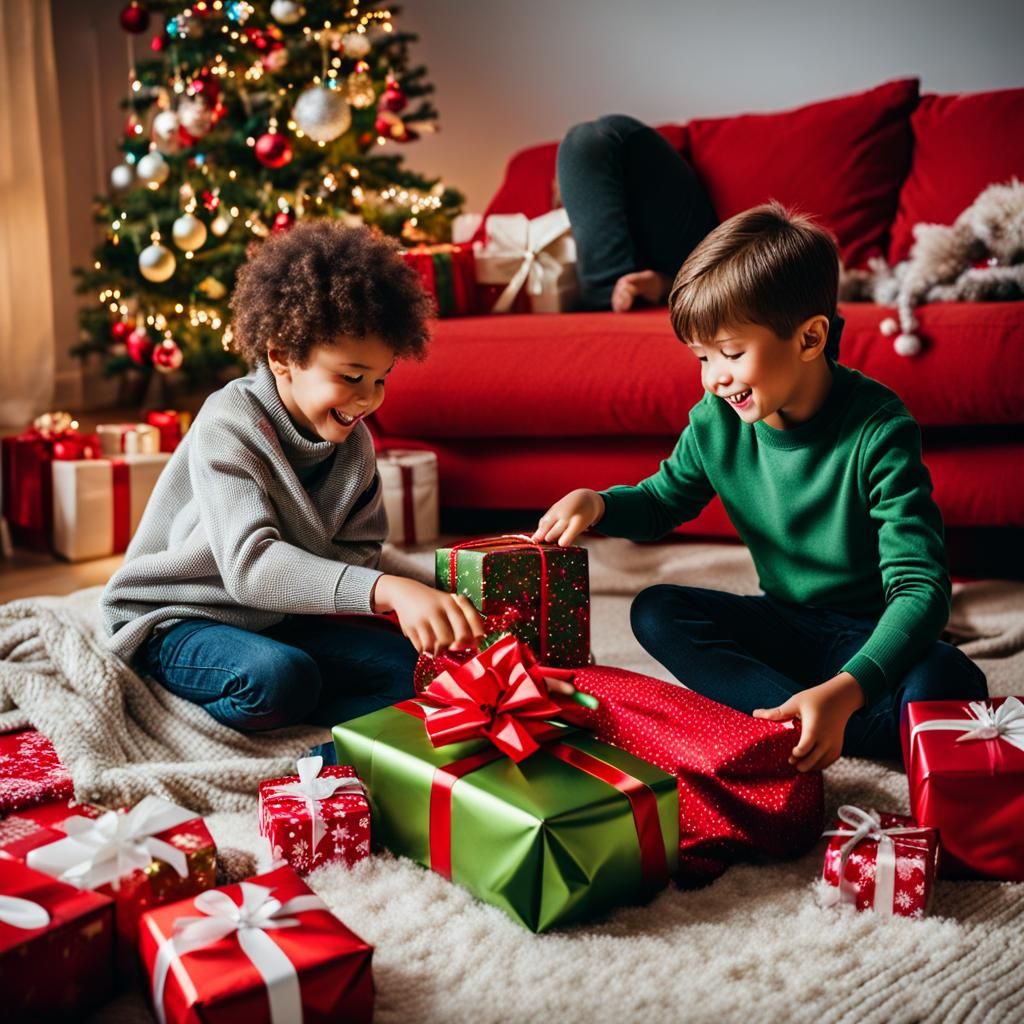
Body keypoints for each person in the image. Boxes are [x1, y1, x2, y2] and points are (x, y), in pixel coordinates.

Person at [532, 202, 987, 769]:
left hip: (868, 632)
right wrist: (599, 504)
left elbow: (922, 591)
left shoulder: (879, 428)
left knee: (947, 676)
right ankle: (812, 721)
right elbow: (660, 501)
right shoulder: (715, 418)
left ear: (810, 339)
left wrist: (850, 685)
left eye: (730, 353)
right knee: (655, 611)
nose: (713, 377)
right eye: (701, 358)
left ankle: (830, 712)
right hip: (787, 625)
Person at [102, 221, 485, 732]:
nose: (368, 398)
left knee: (413, 672)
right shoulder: (229, 423)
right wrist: (389, 591)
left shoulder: (355, 445)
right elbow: (251, 566)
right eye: (351, 377)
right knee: (278, 680)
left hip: (278, 619)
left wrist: (424, 589)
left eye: (379, 379)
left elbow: (359, 552)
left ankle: (308, 708)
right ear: (282, 356)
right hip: (181, 615)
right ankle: (180, 704)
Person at [556, 114, 717, 312]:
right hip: (676, 272)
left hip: (694, 264)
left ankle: (610, 295)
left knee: (585, 140)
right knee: (586, 140)